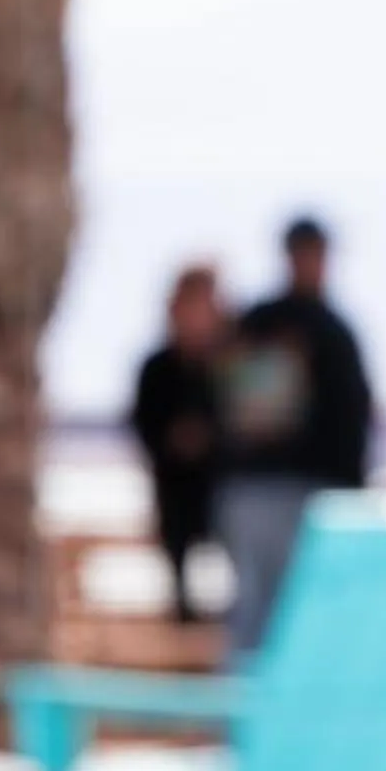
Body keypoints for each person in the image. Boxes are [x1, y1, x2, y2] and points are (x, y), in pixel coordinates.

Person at [214, 217, 374, 659]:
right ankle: (250, 723)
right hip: (262, 490)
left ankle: (288, 719)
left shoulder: (332, 331)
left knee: (307, 617)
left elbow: (352, 422)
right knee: (260, 615)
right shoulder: (262, 325)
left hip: (316, 494)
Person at [130, 266, 225, 624]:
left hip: (223, 491)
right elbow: (144, 424)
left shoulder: (227, 364)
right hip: (175, 491)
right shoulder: (157, 368)